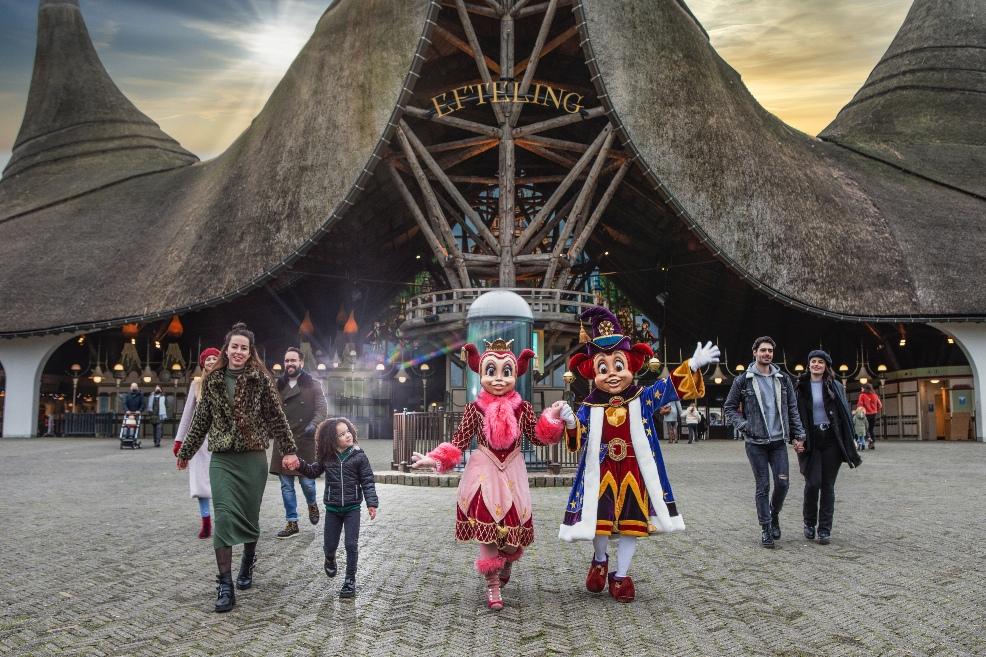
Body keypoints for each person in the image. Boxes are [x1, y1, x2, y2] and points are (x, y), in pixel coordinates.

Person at [557, 307, 718, 603]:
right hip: (601, 472)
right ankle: (600, 558)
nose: (613, 375)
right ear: (594, 373)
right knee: (600, 523)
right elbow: (577, 436)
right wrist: (569, 421)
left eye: (618, 365)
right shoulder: (589, 405)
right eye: (603, 369)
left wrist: (692, 365)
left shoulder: (641, 397)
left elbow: (667, 389)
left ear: (630, 365)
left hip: (634, 472)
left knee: (632, 524)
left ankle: (621, 574)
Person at [410, 339, 562, 611]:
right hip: (483, 473)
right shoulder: (474, 408)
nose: (499, 379)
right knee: (486, 529)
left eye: (507, 372)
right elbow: (458, 441)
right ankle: (492, 587)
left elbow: (537, 438)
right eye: (491, 371)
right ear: (481, 374)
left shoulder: (522, 408)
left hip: (513, 473)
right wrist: (432, 458)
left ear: (516, 374)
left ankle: (508, 560)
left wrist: (551, 420)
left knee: (513, 533)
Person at [176, 322, 296, 613]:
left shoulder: (260, 378)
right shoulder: (213, 380)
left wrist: (289, 450)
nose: (239, 351)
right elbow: (201, 419)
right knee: (225, 518)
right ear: (226, 350)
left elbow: (276, 416)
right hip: (223, 460)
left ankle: (248, 561)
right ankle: (225, 585)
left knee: (249, 517)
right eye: (234, 346)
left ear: (249, 351)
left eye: (244, 347)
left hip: (253, 458)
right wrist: (186, 451)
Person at [723, 336, 806, 548]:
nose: (766, 354)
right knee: (763, 485)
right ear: (755, 352)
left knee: (783, 483)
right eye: (763, 350)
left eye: (770, 350)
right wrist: (744, 425)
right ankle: (766, 528)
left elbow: (792, 409)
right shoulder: (743, 380)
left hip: (778, 441)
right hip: (755, 442)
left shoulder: (783, 379)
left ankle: (774, 513)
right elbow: (729, 407)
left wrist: (799, 435)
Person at [290, 417, 377, 598]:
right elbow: (313, 471)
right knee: (330, 545)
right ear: (332, 439)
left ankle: (350, 581)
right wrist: (300, 464)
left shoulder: (359, 456)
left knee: (351, 544)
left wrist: (371, 503)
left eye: (348, 432)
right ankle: (329, 558)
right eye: (341, 434)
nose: (347, 436)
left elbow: (367, 481)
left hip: (352, 508)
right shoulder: (327, 457)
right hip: (333, 510)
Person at [794, 350, 862, 545]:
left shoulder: (836, 386)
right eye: (813, 361)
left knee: (828, 486)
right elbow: (794, 414)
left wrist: (851, 438)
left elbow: (844, 414)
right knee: (812, 483)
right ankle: (809, 523)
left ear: (826, 366)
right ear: (808, 365)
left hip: (831, 439)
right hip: (810, 439)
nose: (816, 365)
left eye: (820, 362)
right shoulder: (800, 387)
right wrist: (796, 438)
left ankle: (824, 529)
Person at [269, 347, 327, 539]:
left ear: (301, 362)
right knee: (286, 486)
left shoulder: (313, 385)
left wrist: (314, 424)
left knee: (307, 483)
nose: (289, 364)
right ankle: (292, 522)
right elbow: (270, 409)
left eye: (293, 360)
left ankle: (312, 504)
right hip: (283, 442)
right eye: (286, 361)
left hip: (305, 440)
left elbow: (321, 408)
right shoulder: (278, 385)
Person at [173, 347, 221, 539]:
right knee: (200, 483)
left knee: (221, 483)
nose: (210, 361)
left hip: (220, 440)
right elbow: (187, 415)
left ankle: (223, 520)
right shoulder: (197, 384)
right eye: (207, 359)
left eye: (214, 358)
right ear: (202, 363)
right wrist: (179, 440)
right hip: (199, 441)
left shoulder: (226, 382)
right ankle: (206, 521)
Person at [857, 383, 883, 450]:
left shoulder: (862, 395)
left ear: (865, 388)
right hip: (874, 414)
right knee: (871, 429)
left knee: (865, 429)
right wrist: (875, 410)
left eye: (862, 388)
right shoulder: (875, 395)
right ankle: (872, 442)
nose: (861, 389)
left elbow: (860, 405)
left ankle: (868, 440)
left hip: (865, 415)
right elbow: (880, 405)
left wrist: (859, 413)